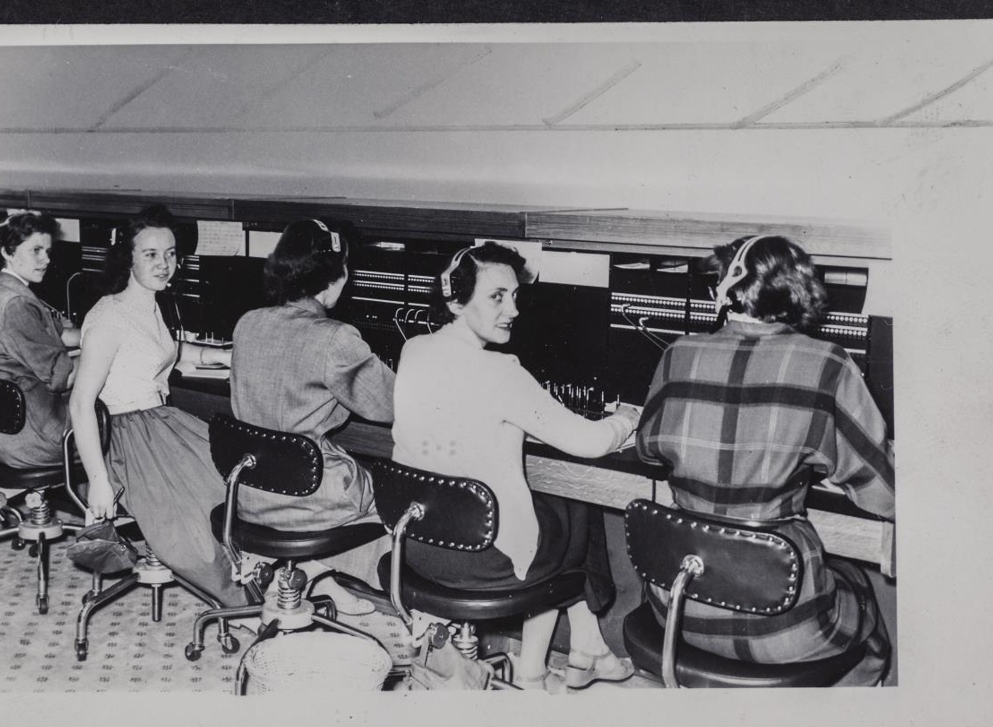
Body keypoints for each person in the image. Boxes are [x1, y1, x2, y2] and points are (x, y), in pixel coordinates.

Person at [635, 234, 894, 685]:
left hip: (677, 607)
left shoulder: (677, 354)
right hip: (783, 627)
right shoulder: (828, 363)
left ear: (725, 289)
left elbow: (647, 450)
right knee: (863, 601)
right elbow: (886, 494)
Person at [392, 242, 641, 691]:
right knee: (576, 509)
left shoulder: (414, 350)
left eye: (514, 296)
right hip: (483, 559)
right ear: (455, 301)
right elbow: (588, 442)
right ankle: (541, 668)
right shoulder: (502, 370)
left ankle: (585, 649)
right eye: (497, 297)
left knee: (563, 512)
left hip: (415, 546)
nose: (513, 310)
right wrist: (628, 417)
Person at [68, 204, 244, 607]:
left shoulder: (148, 303)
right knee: (198, 523)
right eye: (150, 254)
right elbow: (80, 404)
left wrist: (221, 355)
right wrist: (98, 481)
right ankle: (241, 599)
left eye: (170, 254)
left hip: (158, 424)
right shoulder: (109, 317)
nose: (164, 264)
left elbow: (164, 351)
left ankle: (267, 580)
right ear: (127, 258)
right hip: (129, 438)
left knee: (234, 482)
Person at [229, 219, 394, 615]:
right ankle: (309, 570)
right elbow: (388, 405)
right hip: (309, 497)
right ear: (337, 276)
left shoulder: (247, 322)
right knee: (397, 495)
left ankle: (316, 576)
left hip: (249, 494)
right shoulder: (335, 337)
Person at [0, 211, 79, 468]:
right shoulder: (17, 304)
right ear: (8, 252)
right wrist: (102, 350)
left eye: (48, 251)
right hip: (39, 439)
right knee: (120, 425)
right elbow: (62, 378)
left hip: (8, 435)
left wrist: (98, 333)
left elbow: (60, 334)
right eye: (36, 251)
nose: (46, 259)